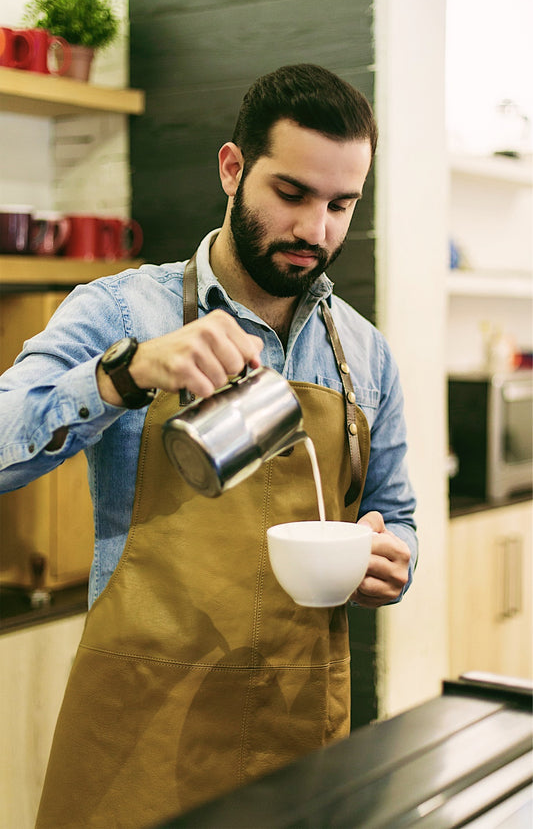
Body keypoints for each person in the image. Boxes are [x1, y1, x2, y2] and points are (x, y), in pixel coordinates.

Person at [0, 63, 417, 828]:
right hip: (139, 737)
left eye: (340, 204)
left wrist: (393, 559)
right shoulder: (122, 307)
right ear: (232, 168)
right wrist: (125, 372)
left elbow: (395, 512)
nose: (314, 230)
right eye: (290, 194)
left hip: (302, 735)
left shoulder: (365, 353)